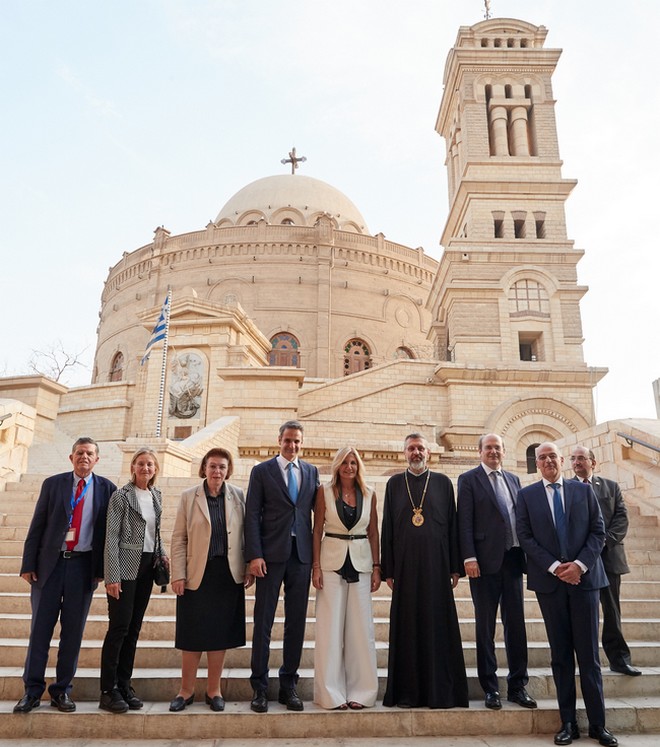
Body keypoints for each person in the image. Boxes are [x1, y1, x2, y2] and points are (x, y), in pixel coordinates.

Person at [516, 442, 617, 747]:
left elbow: (598, 532)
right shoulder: (526, 495)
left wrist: (580, 566)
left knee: (589, 656)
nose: (547, 460)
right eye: (541, 457)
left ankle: (598, 725)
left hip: (585, 583)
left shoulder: (582, 491)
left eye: (552, 456)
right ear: (537, 463)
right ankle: (568, 722)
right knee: (560, 657)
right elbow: (525, 536)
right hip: (551, 585)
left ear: (562, 461)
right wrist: (556, 566)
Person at [14, 438, 116, 714]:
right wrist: (28, 563)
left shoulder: (107, 489)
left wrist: (103, 572)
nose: (84, 457)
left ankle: (61, 691)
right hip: (50, 566)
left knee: (72, 633)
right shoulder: (53, 484)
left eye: (90, 453)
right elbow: (38, 524)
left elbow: (109, 535)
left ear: (97, 459)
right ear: (71, 457)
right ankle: (32, 691)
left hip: (83, 569)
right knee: (40, 631)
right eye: (80, 453)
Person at [380, 432, 468, 709]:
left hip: (437, 566)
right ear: (403, 453)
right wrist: (388, 569)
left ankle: (440, 691)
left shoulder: (442, 482)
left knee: (437, 625)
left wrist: (455, 566)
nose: (415, 453)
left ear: (428, 453)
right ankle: (408, 692)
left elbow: (453, 526)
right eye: (411, 449)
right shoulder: (394, 483)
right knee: (407, 626)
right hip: (405, 568)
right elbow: (388, 528)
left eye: (420, 449)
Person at [169, 447, 254, 712]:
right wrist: (178, 574)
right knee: (191, 634)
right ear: (204, 468)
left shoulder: (239, 496)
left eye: (222, 467)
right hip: (196, 573)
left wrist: (249, 566)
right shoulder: (188, 497)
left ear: (228, 470)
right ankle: (186, 691)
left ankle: (213, 690)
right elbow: (179, 538)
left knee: (220, 635)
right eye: (213, 466)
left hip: (227, 574)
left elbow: (246, 535)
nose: (217, 471)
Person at [244, 419, 319, 713]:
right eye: (288, 440)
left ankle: (289, 685)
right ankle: (259, 688)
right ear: (279, 441)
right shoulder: (261, 471)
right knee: (263, 622)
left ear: (302, 443)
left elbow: (317, 514)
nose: (292, 445)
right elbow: (252, 515)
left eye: (297, 441)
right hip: (269, 557)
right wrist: (254, 555)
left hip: (300, 556)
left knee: (296, 623)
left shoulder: (312, 472)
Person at [457, 433, 536, 711]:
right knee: (485, 627)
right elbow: (464, 522)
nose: (493, 452)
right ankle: (490, 688)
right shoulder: (468, 480)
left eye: (498, 448)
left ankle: (517, 685)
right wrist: (468, 557)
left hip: (514, 560)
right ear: (479, 452)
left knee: (516, 626)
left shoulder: (514, 480)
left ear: (504, 452)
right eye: (488, 447)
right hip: (484, 564)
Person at [99, 447, 168, 713]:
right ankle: (108, 690)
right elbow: (111, 538)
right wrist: (112, 576)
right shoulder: (120, 496)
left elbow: (155, 533)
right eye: (141, 463)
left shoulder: (157, 495)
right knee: (119, 628)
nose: (145, 468)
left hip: (148, 568)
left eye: (150, 464)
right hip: (125, 569)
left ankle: (124, 685)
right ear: (133, 467)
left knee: (134, 629)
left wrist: (162, 554)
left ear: (155, 469)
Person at [312, 446, 381, 710]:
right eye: (344, 463)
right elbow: (317, 529)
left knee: (361, 630)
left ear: (358, 466)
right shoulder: (325, 492)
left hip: (362, 563)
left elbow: (374, 531)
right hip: (331, 563)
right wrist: (316, 567)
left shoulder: (369, 493)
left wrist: (377, 566)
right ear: (337, 466)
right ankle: (330, 694)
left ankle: (362, 693)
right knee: (330, 630)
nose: (349, 467)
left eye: (353, 462)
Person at [570, 445, 641, 677]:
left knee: (611, 610)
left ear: (593, 462)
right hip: (580, 561)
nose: (577, 462)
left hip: (608, 558)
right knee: (582, 614)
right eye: (573, 459)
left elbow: (621, 517)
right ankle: (585, 660)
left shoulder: (610, 486)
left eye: (581, 458)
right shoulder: (567, 488)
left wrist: (602, 542)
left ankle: (619, 659)